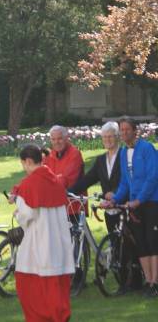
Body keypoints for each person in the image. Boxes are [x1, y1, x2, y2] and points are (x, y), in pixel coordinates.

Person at [69, 121, 143, 291]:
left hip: (125, 205)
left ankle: (135, 282)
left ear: (117, 137)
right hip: (109, 210)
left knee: (130, 246)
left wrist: (116, 195)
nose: (108, 140)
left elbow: (130, 180)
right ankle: (123, 282)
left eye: (111, 136)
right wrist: (68, 191)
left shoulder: (125, 155)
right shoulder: (101, 160)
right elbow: (88, 180)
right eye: (105, 137)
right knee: (116, 246)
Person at [12, 145, 74, 322]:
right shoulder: (54, 181)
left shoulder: (29, 184)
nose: (24, 168)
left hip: (38, 241)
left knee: (32, 287)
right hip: (58, 242)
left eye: (23, 163)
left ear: (28, 161)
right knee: (57, 288)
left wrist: (18, 213)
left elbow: (27, 215)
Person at [102, 117, 158, 296]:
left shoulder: (147, 148)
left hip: (150, 203)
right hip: (134, 204)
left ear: (136, 131)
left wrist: (138, 200)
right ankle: (149, 281)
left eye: (127, 129)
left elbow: (152, 178)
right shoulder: (124, 152)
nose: (124, 132)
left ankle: (155, 282)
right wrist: (114, 200)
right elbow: (125, 183)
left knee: (152, 241)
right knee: (141, 243)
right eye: (122, 130)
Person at [44, 125, 85, 220]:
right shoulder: (50, 155)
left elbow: (66, 179)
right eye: (53, 139)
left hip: (72, 206)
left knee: (74, 234)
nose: (56, 142)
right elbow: (39, 175)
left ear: (66, 138)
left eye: (59, 139)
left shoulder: (75, 154)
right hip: (56, 205)